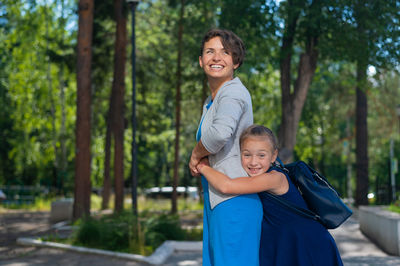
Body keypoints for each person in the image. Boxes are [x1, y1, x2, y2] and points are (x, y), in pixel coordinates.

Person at [196, 125, 344, 266]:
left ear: (273, 156)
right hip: (288, 241)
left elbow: (226, 186)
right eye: (247, 155)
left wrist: (202, 166)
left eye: (261, 155)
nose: (254, 162)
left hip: (307, 242)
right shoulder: (261, 176)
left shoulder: (273, 178)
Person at [189, 29, 262, 266]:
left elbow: (220, 134)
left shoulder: (232, 92)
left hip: (234, 203)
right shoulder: (213, 100)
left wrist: (195, 154)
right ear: (201, 60)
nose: (216, 57)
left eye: (225, 52)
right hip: (219, 200)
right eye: (210, 51)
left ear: (236, 61)